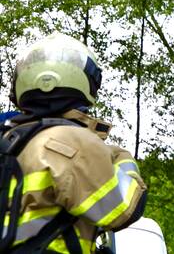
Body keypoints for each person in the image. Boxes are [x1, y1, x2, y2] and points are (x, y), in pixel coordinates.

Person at [2, 33, 147, 253]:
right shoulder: (72, 141)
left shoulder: (11, 139)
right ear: (86, 79)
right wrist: (121, 158)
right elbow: (124, 209)